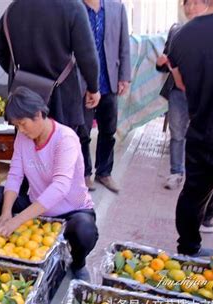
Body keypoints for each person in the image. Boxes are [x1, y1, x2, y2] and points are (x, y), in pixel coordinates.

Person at [0, 87, 99, 281]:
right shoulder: (23, 137)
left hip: (71, 211)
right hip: (37, 207)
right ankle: (11, 237)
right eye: (17, 126)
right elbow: (15, 175)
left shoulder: (65, 138)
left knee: (84, 231)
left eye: (23, 124)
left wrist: (17, 220)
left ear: (37, 115)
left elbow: (60, 187)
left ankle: (78, 263)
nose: (21, 130)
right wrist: (6, 213)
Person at [168, 0, 213, 262]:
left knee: (193, 194)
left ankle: (188, 249)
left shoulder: (182, 34)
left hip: (200, 129)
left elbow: (180, 83)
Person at [0, 0, 101, 132]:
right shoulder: (73, 6)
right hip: (63, 100)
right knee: (63, 148)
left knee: (26, 150)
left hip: (24, 100)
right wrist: (93, 88)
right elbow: (87, 56)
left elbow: (0, 54)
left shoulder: (12, 9)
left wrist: (24, 76)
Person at [78, 0, 131, 193]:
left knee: (108, 131)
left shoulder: (117, 8)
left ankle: (104, 172)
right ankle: (84, 173)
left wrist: (124, 76)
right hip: (82, 84)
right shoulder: (74, 6)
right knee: (82, 132)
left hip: (108, 81)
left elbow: (124, 44)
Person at [156, 0, 209, 190]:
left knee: (202, 136)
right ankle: (176, 172)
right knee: (177, 134)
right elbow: (164, 64)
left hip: (204, 94)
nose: (191, 8)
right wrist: (162, 62)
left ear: (207, 5)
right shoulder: (176, 31)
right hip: (178, 93)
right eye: (187, 3)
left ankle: (198, 176)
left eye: (196, 3)